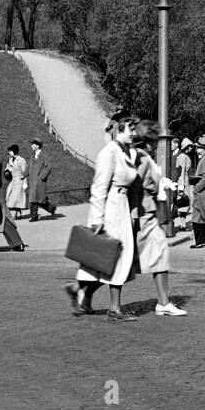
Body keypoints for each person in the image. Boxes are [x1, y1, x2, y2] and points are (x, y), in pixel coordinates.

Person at [65, 115, 144, 321]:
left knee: (103, 257)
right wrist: (97, 219)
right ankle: (114, 309)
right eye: (131, 129)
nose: (134, 133)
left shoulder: (125, 152)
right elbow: (99, 188)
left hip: (121, 208)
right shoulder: (109, 153)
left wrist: (133, 211)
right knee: (115, 255)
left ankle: (79, 291)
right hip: (111, 210)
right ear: (119, 129)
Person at [131, 124, 188, 315]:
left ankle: (163, 302)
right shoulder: (142, 158)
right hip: (142, 214)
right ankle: (83, 289)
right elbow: (134, 185)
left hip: (145, 214)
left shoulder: (141, 156)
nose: (156, 144)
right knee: (121, 260)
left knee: (155, 255)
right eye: (154, 140)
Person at [27, 138, 55, 221]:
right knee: (34, 198)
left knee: (37, 199)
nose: (32, 146)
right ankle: (49, 209)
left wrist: (42, 177)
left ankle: (34, 215)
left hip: (39, 181)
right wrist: (23, 175)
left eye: (33, 144)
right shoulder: (32, 155)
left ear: (38, 145)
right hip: (32, 180)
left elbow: (48, 167)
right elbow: (29, 167)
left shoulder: (44, 155)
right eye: (32, 144)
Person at [3, 143, 29, 219]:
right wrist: (7, 170)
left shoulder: (21, 160)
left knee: (16, 197)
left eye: (10, 151)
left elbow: (24, 172)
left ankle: (18, 213)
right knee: (9, 195)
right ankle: (17, 212)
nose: (9, 152)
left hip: (19, 180)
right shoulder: (10, 160)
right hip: (13, 181)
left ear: (14, 151)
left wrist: (25, 183)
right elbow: (10, 169)